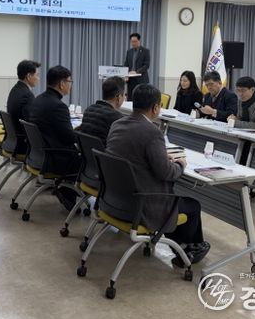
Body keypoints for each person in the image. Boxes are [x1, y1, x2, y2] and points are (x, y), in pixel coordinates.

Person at [106, 84, 210, 267]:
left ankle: (181, 246)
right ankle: (189, 250)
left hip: (116, 199)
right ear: (155, 107)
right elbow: (166, 173)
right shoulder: (152, 132)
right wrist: (180, 164)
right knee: (192, 205)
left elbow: (134, 155)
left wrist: (161, 157)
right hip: (141, 205)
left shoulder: (117, 124)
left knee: (177, 202)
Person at [29, 65, 80, 210]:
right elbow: (69, 138)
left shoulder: (38, 99)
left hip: (38, 154)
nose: (70, 85)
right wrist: (80, 132)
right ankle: (68, 192)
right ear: (62, 84)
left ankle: (66, 190)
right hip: (54, 157)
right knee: (88, 158)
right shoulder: (58, 106)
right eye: (69, 82)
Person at [6, 60, 41, 154]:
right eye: (37, 75)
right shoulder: (27, 95)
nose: (38, 79)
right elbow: (31, 123)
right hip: (23, 144)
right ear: (29, 76)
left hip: (13, 139)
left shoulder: (15, 89)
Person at [79, 76, 125, 145]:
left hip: (87, 151)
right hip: (104, 151)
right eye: (124, 95)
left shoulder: (89, 109)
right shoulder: (117, 118)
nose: (124, 98)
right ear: (118, 97)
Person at [123, 33, 150, 97]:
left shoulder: (145, 51)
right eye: (132, 41)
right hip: (131, 80)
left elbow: (146, 65)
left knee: (141, 98)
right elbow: (126, 64)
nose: (133, 43)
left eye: (135, 41)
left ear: (139, 41)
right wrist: (125, 74)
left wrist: (136, 72)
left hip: (141, 80)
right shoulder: (129, 51)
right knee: (130, 98)